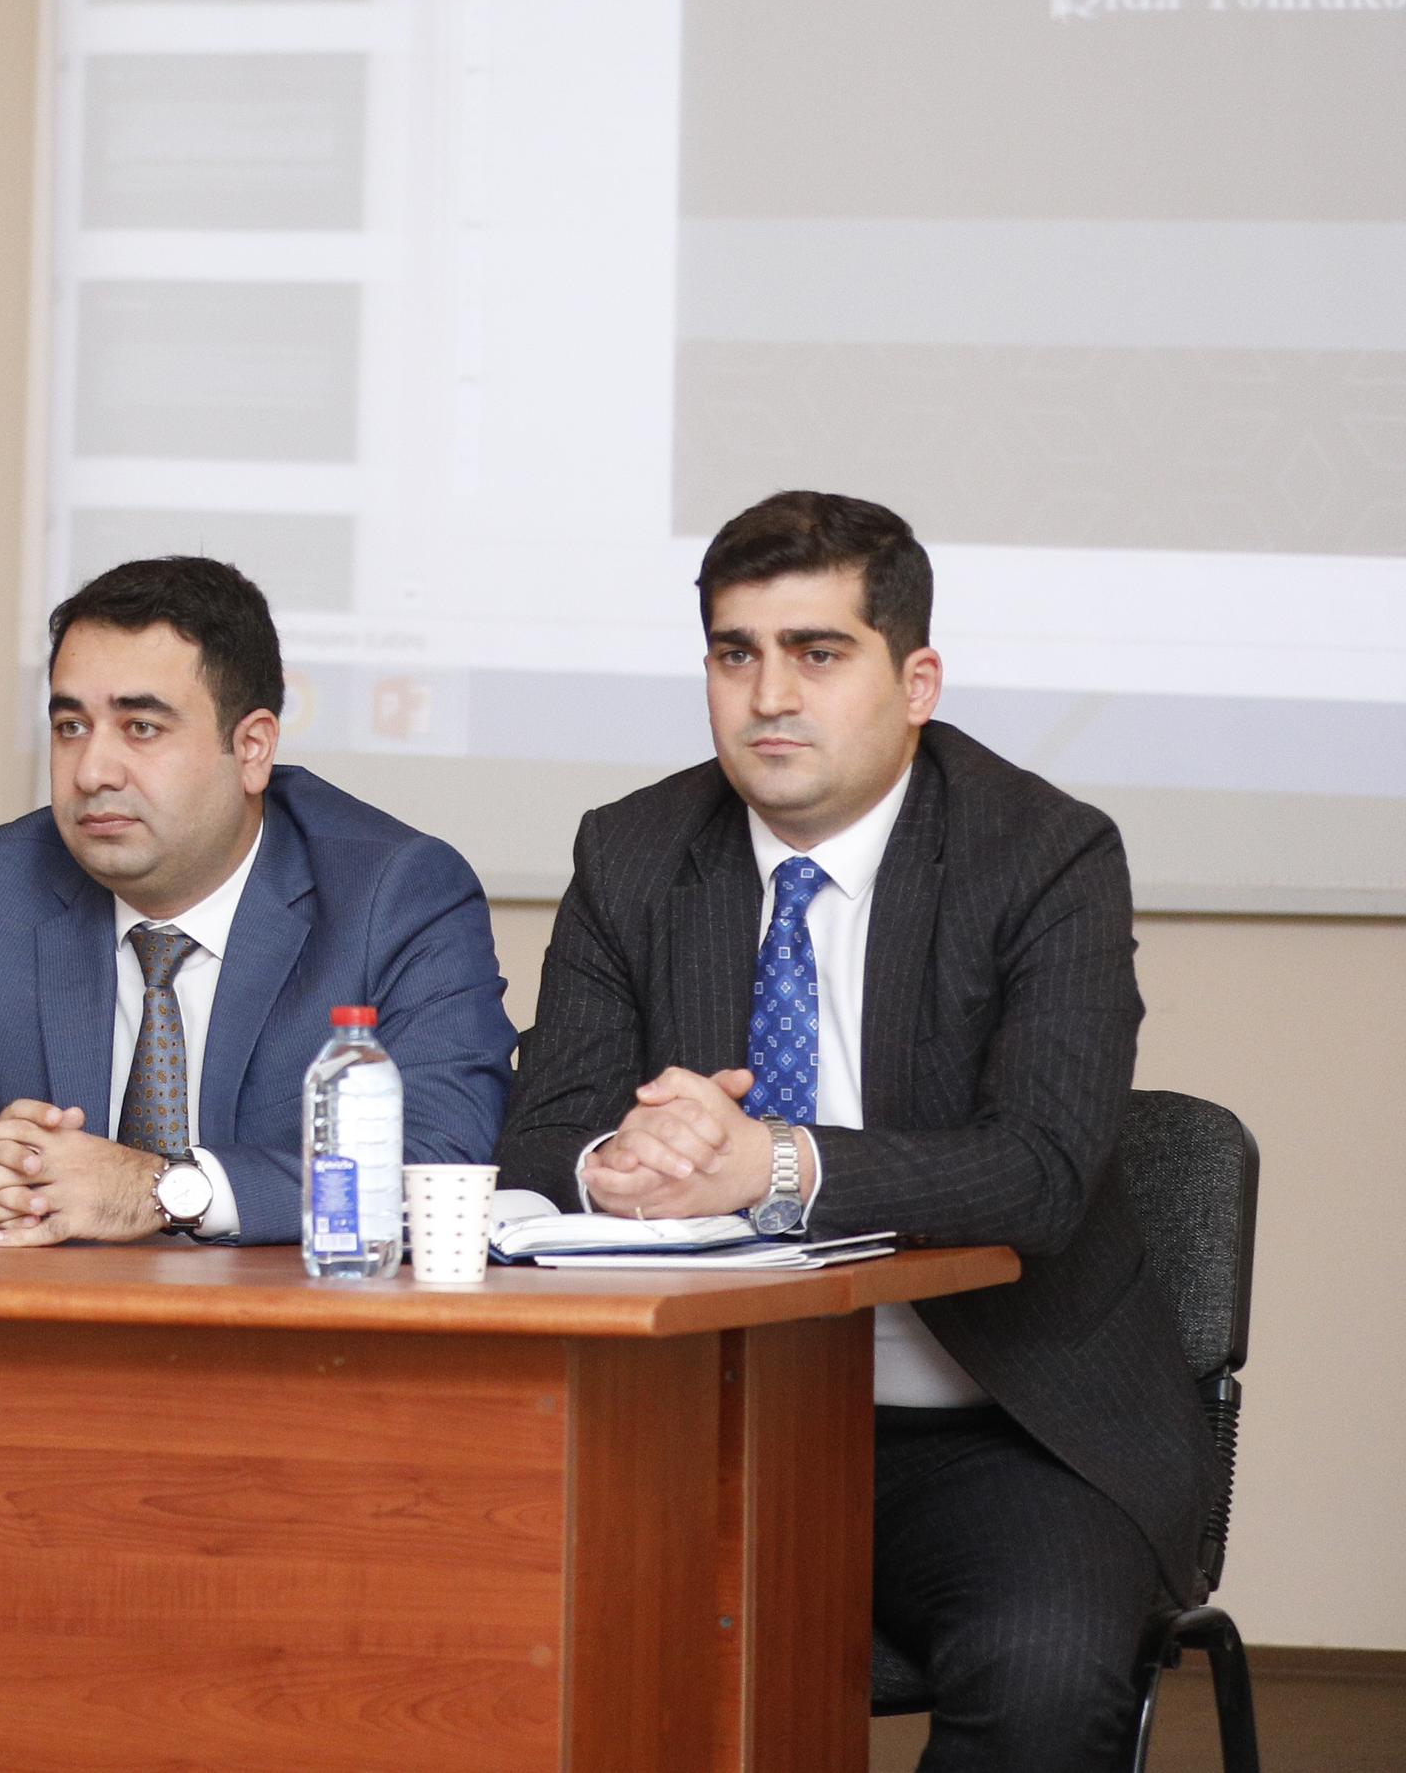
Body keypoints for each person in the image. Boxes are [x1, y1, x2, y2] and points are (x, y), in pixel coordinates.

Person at [499, 492, 1204, 1773]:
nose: (767, 694)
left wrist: (772, 1162)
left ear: (914, 681)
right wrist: (617, 1165)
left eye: (815, 652)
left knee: (1042, 1679)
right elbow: (540, 1134)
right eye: (734, 652)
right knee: (489, 1629)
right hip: (698, 1420)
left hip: (993, 1427)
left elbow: (1042, 1169)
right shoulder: (634, 850)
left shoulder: (1042, 853)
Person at [0, 556, 512, 1243]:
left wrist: (163, 1190)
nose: (92, 772)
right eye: (71, 727)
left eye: (141, 728)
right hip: (56, 1305)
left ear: (252, 749)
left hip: (286, 1308)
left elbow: (438, 1165)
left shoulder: (395, 893)